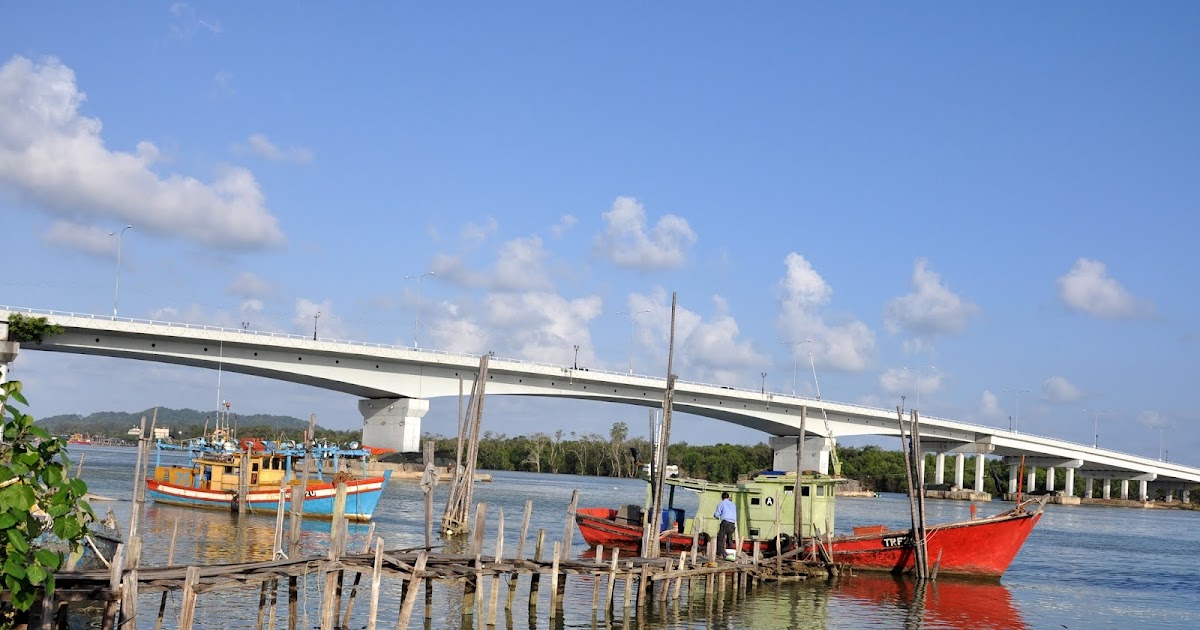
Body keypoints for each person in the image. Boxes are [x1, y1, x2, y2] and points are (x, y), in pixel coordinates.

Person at [713, 491, 737, 560]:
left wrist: (716, 516)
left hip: (725, 522)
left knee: (721, 538)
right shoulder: (733, 504)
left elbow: (717, 514)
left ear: (722, 498)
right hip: (732, 523)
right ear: (728, 497)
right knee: (730, 539)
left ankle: (721, 553)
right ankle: (731, 555)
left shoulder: (721, 503)